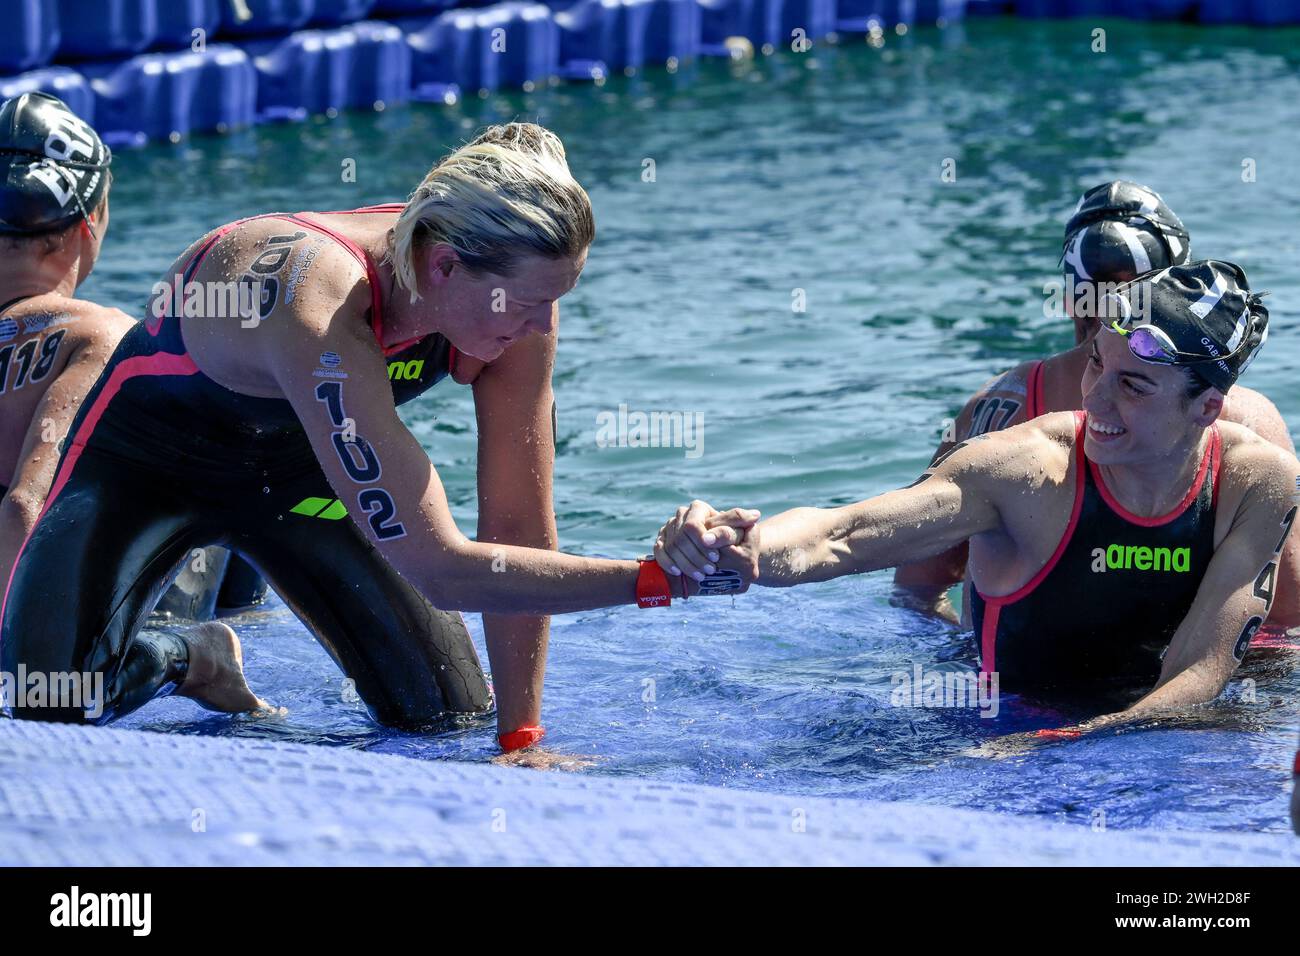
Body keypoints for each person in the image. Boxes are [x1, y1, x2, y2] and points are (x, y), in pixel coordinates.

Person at [0, 121, 759, 753]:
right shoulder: (313, 303)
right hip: (145, 466)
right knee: (50, 706)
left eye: (553, 302)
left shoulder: (516, 292)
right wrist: (654, 581)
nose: (539, 329)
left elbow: (519, 524)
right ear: (442, 266)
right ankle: (190, 653)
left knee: (444, 719)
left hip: (306, 476)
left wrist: (520, 738)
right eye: (527, 307)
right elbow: (444, 569)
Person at [657, 261, 1296, 742]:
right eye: (1096, 364)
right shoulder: (1026, 471)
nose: (1095, 400)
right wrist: (745, 547)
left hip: (1136, 728)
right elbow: (844, 534)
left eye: (1133, 386)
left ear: (1207, 407)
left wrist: (1077, 746)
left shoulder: (1257, 481)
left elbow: (1198, 671)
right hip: (1004, 727)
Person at [892, 182, 1300, 627]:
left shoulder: (999, 405)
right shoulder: (1239, 414)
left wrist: (973, 665)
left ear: (1069, 297)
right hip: (1193, 678)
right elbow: (1286, 614)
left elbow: (918, 588)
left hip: (1014, 685)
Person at [0, 92, 268, 624]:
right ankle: (214, 650)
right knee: (230, 459)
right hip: (50, 627)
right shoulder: (94, 336)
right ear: (89, 221)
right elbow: (26, 510)